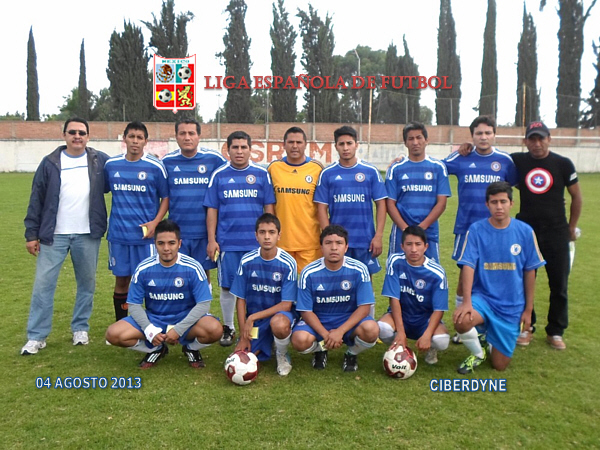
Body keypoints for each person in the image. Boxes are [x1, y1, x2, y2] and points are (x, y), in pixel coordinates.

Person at [21, 117, 110, 355]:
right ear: (64, 135)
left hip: (87, 234)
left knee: (87, 284)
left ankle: (80, 328)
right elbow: (36, 198)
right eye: (72, 132)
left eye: (81, 132)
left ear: (88, 136)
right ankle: (36, 336)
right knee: (43, 286)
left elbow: (119, 179)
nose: (77, 136)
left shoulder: (99, 160)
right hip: (53, 235)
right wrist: (31, 234)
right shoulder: (50, 162)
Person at [453, 182, 546, 374]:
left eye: (503, 201)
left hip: (511, 306)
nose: (499, 206)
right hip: (483, 299)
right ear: (487, 204)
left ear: (511, 203)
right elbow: (468, 266)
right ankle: (478, 352)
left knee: (499, 365)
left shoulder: (525, 232)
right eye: (494, 202)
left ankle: (488, 336)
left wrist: (528, 310)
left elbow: (530, 272)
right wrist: (467, 302)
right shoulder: (476, 230)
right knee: (462, 321)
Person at [105, 219, 222, 369]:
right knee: (113, 334)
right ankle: (156, 349)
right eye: (161, 243)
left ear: (179, 244)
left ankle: (191, 348)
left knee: (215, 329)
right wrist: (149, 330)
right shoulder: (143, 268)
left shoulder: (193, 267)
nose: (166, 248)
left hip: (185, 320)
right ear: (155, 244)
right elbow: (134, 305)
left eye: (171, 243)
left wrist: (178, 329)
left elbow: (204, 304)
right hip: (154, 320)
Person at [444, 116, 518, 343]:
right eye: (479, 133)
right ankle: (462, 327)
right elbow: (435, 167)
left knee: (493, 274)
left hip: (497, 231)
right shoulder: (462, 157)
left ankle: (490, 322)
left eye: (488, 133)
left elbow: (515, 188)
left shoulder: (505, 161)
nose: (483, 137)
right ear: (472, 136)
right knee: (464, 277)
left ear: (494, 134)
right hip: (466, 229)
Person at [512, 122, 582, 350]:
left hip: (556, 232)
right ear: (525, 142)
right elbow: (490, 154)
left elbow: (576, 197)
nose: (537, 143)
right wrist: (467, 147)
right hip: (526, 232)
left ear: (549, 139)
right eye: (532, 139)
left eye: (541, 138)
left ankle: (556, 331)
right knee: (524, 282)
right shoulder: (517, 161)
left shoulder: (563, 164)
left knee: (559, 283)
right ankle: (526, 326)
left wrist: (571, 227)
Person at [204, 131, 276, 347]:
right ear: (228, 150)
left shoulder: (261, 174)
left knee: (257, 288)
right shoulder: (219, 175)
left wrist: (270, 236)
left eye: (244, 147)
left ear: (250, 149)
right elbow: (212, 209)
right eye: (235, 147)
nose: (239, 151)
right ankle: (228, 327)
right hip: (229, 243)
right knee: (228, 287)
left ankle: (259, 328)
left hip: (257, 244)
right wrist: (212, 240)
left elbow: (269, 208)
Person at [292, 225, 380, 372]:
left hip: (348, 319)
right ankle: (320, 349)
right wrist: (326, 335)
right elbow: (305, 311)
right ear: (321, 247)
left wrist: (340, 331)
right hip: (320, 319)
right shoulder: (309, 272)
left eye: (339, 243)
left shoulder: (359, 269)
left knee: (371, 330)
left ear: (346, 247)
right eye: (328, 243)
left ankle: (351, 353)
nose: (334, 248)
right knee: (299, 340)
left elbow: (365, 307)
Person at [104, 121, 169, 321]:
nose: (135, 141)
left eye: (139, 137)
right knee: (122, 280)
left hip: (145, 238)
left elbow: (166, 198)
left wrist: (155, 223)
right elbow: (102, 190)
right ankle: (122, 323)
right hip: (119, 235)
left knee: (149, 280)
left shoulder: (155, 166)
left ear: (145, 141)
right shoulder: (111, 165)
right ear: (124, 138)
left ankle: (152, 323)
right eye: (131, 136)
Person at [314, 125, 387, 277]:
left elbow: (381, 204)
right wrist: (329, 238)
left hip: (365, 239)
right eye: (341, 144)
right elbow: (321, 208)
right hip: (338, 241)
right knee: (338, 279)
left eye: (349, 143)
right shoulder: (327, 174)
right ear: (336, 146)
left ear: (356, 145)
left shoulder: (370, 171)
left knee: (365, 279)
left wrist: (378, 236)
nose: (346, 148)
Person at [231, 214, 298, 376]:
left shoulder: (288, 263)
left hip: (280, 316)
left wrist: (252, 317)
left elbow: (286, 305)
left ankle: (282, 353)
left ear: (279, 235)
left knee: (279, 325)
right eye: (262, 232)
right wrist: (243, 334)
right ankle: (267, 341)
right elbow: (240, 299)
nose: (267, 237)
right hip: (257, 321)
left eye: (271, 232)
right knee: (245, 357)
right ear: (256, 235)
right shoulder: (246, 261)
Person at [162, 119, 226, 278]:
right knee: (177, 274)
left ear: (199, 136)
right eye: (182, 133)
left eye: (191, 133)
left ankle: (204, 296)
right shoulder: (167, 162)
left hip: (204, 232)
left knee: (203, 275)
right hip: (177, 232)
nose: (187, 137)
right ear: (176, 136)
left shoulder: (214, 159)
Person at [378, 226, 450, 365]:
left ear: (426, 247)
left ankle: (430, 348)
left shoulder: (437, 273)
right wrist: (401, 332)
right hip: (402, 315)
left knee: (442, 341)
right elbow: (394, 299)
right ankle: (399, 347)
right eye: (409, 244)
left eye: (418, 244)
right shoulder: (395, 262)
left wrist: (427, 334)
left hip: (424, 319)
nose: (414, 249)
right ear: (402, 246)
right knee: (382, 328)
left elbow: (439, 309)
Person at [386, 122, 451, 262]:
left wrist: (422, 228)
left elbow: (441, 203)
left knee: (430, 271)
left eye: (419, 137)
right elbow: (390, 204)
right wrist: (406, 229)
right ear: (405, 143)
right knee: (398, 270)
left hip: (428, 230)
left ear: (426, 140)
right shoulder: (396, 169)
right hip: (402, 231)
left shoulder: (438, 167)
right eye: (411, 139)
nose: (415, 142)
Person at [268, 127, 323, 272]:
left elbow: (323, 206)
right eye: (290, 142)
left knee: (309, 283)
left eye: (299, 142)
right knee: (280, 283)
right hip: (281, 242)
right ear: (283, 145)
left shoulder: (317, 169)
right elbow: (269, 204)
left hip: (310, 242)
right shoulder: (274, 168)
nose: (294, 146)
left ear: (305, 145)